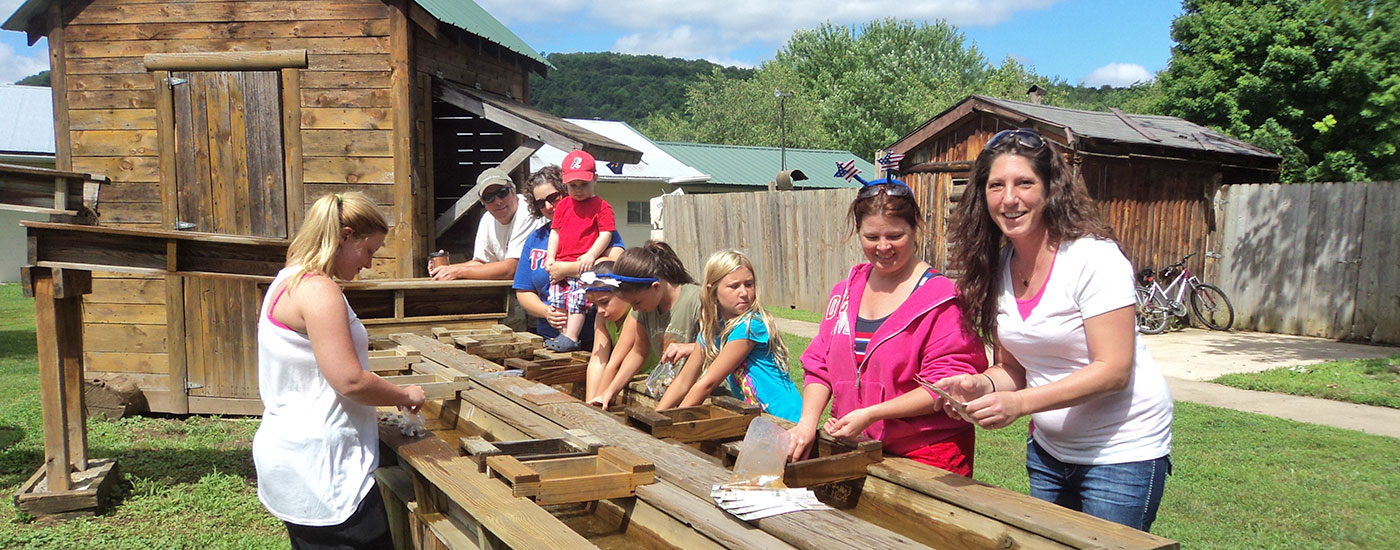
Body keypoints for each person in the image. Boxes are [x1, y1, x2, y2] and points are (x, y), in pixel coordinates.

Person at [937, 128, 1173, 532]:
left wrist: (1020, 405)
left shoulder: (1093, 258)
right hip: (1049, 453)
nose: (1009, 198)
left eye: (1024, 183)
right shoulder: (999, 267)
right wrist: (981, 386)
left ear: (1050, 189)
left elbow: (1114, 370)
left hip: (1121, 453)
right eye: (997, 185)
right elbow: (1012, 368)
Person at [254, 192, 426, 549]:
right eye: (369, 251)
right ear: (345, 236)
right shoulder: (318, 290)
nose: (368, 264)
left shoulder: (287, 280)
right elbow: (349, 380)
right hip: (324, 469)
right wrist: (403, 395)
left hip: (292, 454)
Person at [787, 176, 987, 477]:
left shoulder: (944, 300)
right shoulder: (844, 292)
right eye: (871, 237)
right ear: (858, 232)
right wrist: (806, 423)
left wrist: (872, 414)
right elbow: (820, 365)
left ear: (915, 227)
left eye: (895, 236)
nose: (883, 247)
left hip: (926, 459)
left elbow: (945, 387)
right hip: (854, 450)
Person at [666, 249, 802, 422]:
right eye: (734, 286)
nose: (744, 293)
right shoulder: (713, 330)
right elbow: (683, 381)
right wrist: (657, 418)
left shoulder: (751, 326)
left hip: (785, 419)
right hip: (762, 422)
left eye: (749, 284)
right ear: (712, 290)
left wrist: (676, 423)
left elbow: (706, 384)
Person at [512, 165, 624, 346]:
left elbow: (616, 265)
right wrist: (546, 311)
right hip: (548, 337)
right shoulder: (536, 238)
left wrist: (566, 269)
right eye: (541, 203)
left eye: (553, 197)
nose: (548, 206)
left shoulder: (595, 225)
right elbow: (523, 290)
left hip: (595, 337)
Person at [597, 241, 701, 409]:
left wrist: (690, 348)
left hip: (703, 396)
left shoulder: (696, 301)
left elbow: (721, 347)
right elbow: (638, 353)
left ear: (656, 287)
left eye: (637, 303)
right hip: (670, 395)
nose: (635, 309)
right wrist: (611, 390)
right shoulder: (646, 308)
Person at [543, 150, 617, 352]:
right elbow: (555, 233)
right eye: (573, 185)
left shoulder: (602, 207)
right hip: (560, 262)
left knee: (577, 300)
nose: (578, 190)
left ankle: (571, 336)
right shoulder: (564, 205)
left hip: (582, 264)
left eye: (583, 184)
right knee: (558, 298)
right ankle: (562, 335)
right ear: (565, 184)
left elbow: (606, 234)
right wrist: (550, 256)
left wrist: (592, 254)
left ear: (595, 179)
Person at [429, 167, 545, 281]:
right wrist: (446, 270)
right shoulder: (487, 219)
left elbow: (513, 269)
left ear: (513, 191)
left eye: (502, 193)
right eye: (489, 198)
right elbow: (481, 263)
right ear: (483, 202)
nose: (498, 201)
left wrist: (458, 271)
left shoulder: (527, 211)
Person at [575, 261, 641, 406]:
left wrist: (598, 401)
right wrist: (590, 402)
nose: (600, 310)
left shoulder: (635, 314)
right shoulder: (602, 317)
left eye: (604, 302)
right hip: (619, 381)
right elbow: (598, 361)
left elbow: (615, 362)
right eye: (595, 305)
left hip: (642, 379)